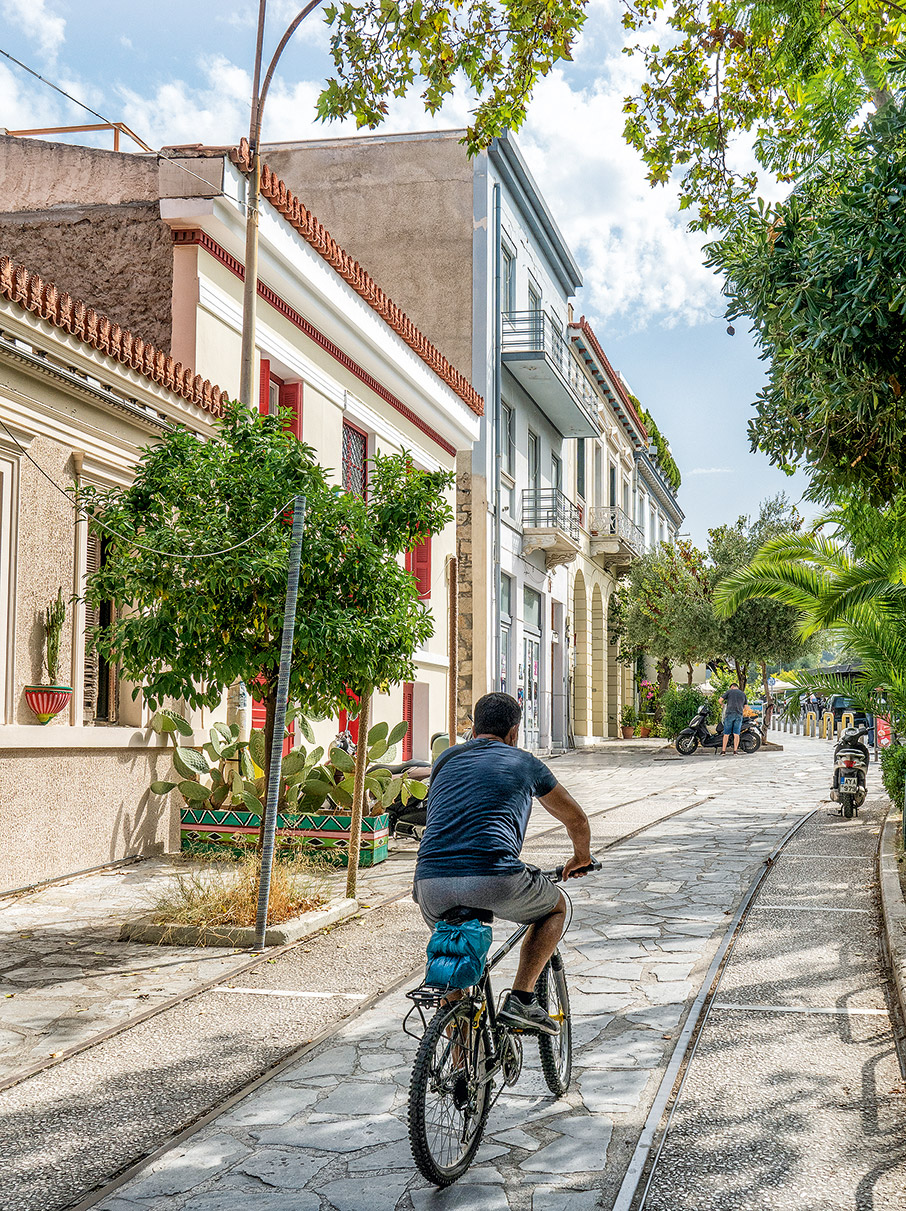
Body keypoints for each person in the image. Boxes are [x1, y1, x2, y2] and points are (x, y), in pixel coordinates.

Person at [413, 691, 593, 1035]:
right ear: (514, 732)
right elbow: (577, 821)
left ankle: (461, 1069)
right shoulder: (525, 762)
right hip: (494, 877)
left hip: (430, 884)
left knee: (454, 967)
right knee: (555, 908)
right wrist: (580, 858)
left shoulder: (446, 760)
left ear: (473, 727)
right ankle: (523, 1000)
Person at [719, 682, 748, 754]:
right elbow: (746, 707)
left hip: (729, 714)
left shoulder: (729, 692)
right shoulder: (743, 694)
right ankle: (735, 751)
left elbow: (720, 700)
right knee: (736, 734)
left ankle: (723, 751)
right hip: (739, 714)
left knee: (726, 734)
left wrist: (722, 705)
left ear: (732, 687)